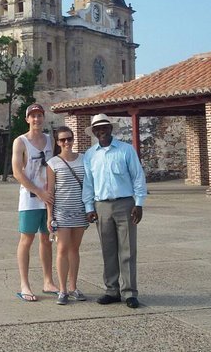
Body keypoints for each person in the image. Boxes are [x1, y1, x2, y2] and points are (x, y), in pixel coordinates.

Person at [82, 113, 147, 309]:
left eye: (105, 127)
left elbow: (138, 177)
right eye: (98, 129)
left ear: (111, 129)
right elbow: (88, 183)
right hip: (102, 205)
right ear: (94, 132)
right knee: (108, 250)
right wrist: (89, 207)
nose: (101, 131)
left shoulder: (126, 150)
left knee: (127, 250)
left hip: (125, 203)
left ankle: (129, 292)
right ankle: (111, 290)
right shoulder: (90, 155)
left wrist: (139, 203)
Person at [11, 103, 58, 302]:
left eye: (40, 115)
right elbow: (17, 172)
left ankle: (48, 280)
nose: (37, 119)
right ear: (27, 119)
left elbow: (55, 165)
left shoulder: (49, 139)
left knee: (46, 239)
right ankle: (25, 284)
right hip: (30, 198)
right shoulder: (20, 142)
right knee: (26, 240)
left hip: (47, 197)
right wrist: (38, 191)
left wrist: (50, 192)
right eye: (33, 116)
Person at [46, 126, 89, 305]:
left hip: (80, 210)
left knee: (75, 249)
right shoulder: (53, 163)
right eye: (63, 140)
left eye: (69, 139)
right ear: (57, 142)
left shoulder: (84, 159)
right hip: (62, 212)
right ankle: (62, 289)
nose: (67, 143)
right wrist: (50, 216)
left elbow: (89, 184)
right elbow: (50, 191)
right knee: (62, 249)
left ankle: (73, 286)